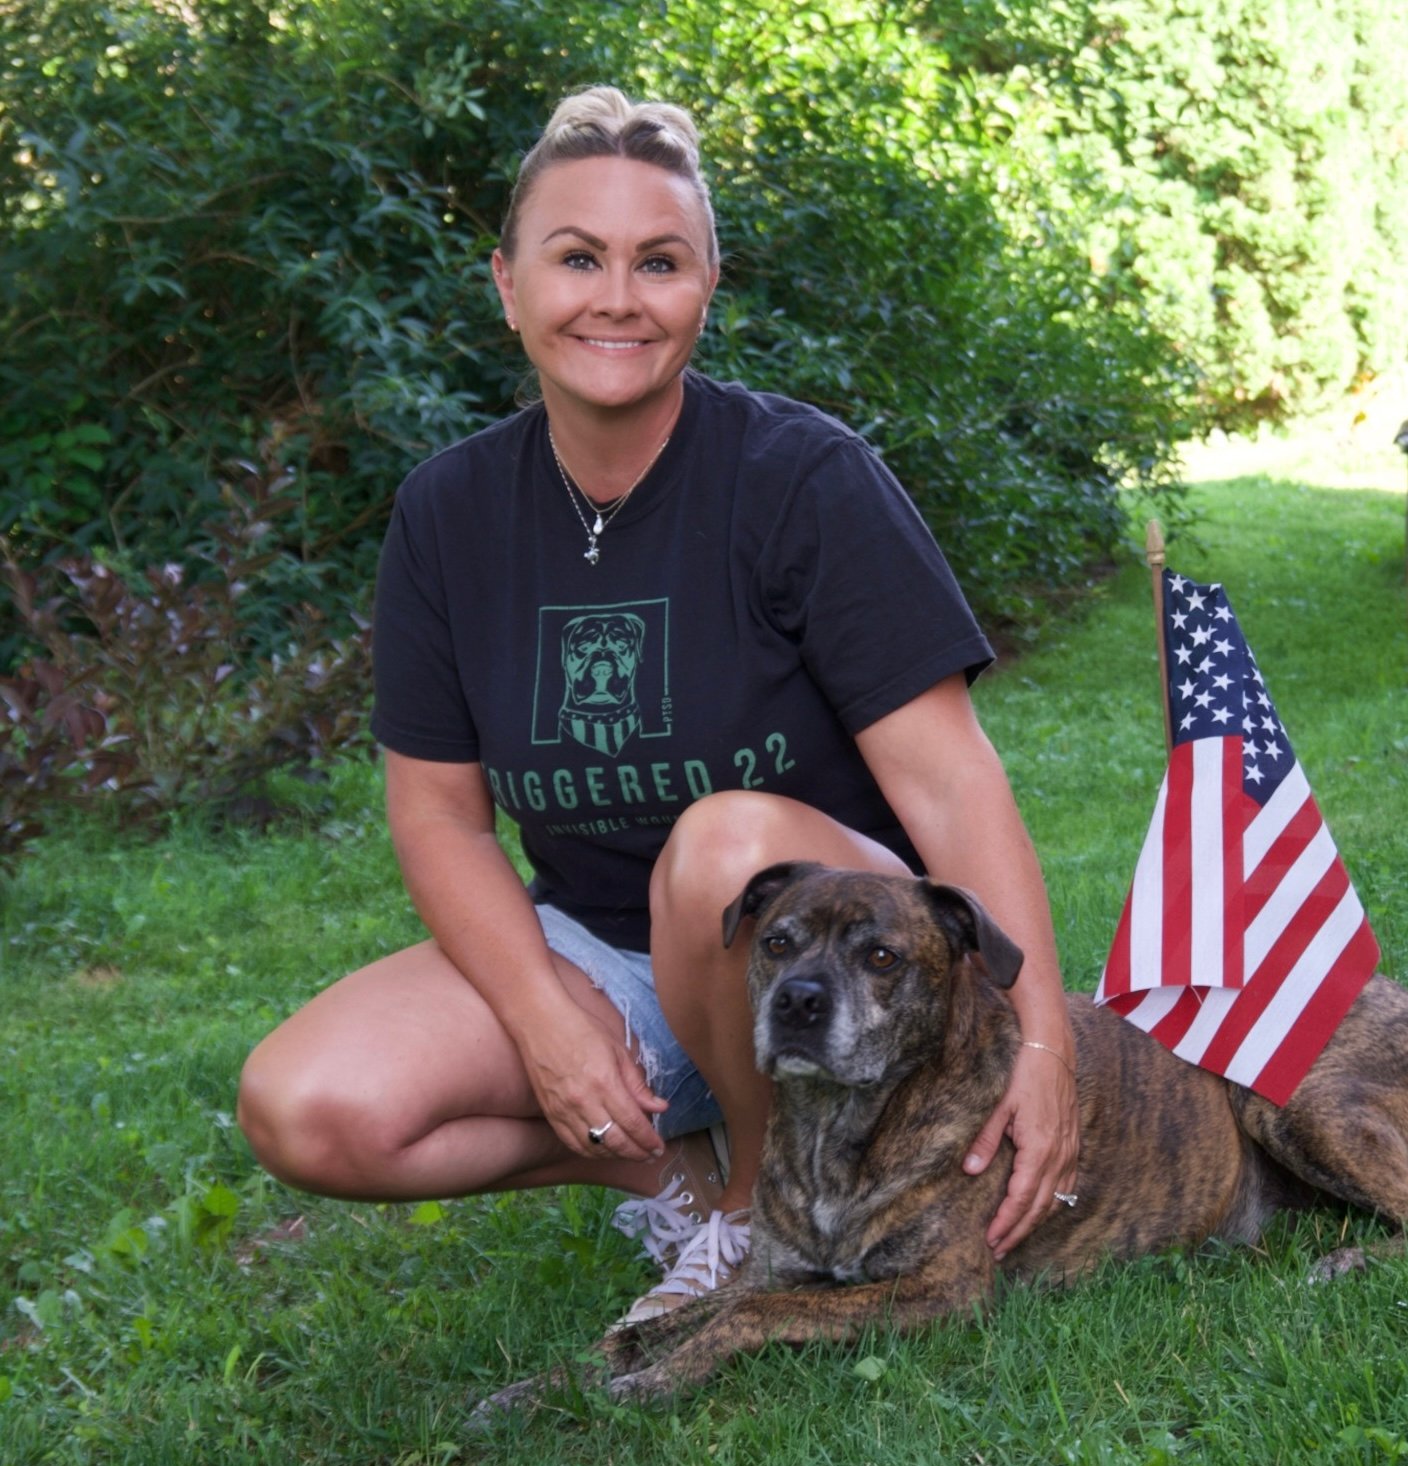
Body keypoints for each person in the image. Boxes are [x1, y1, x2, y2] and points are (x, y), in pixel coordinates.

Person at [236, 84, 1079, 1328]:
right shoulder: (448, 513)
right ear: (507, 282)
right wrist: (541, 1012)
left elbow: (950, 780)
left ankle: (756, 1218)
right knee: (310, 1108)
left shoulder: (803, 479)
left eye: (659, 262)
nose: (617, 297)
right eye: (576, 257)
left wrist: (1045, 1043)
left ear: (707, 284)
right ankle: (682, 1182)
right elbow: (440, 816)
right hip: (601, 948)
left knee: (727, 841)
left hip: (829, 955)